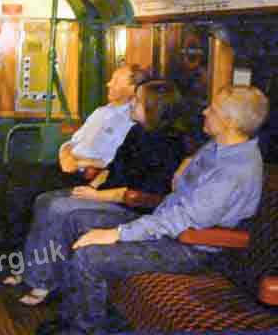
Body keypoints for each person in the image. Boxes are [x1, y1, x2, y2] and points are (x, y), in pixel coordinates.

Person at [41, 85, 268, 334]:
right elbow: (181, 191)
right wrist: (186, 167)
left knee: (89, 257)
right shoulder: (218, 148)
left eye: (212, 109)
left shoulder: (234, 171)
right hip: (170, 227)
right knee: (79, 222)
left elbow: (181, 221)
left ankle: (84, 329)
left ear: (230, 121)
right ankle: (73, 315)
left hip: (192, 248)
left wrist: (118, 233)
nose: (205, 112)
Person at [4, 80, 187, 305]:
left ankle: (43, 282)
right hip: (107, 194)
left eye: (137, 101)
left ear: (154, 108)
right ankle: (34, 270)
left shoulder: (169, 145)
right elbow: (113, 167)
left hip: (131, 209)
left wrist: (96, 196)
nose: (131, 104)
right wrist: (93, 187)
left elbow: (141, 194)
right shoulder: (137, 132)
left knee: (60, 208)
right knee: (45, 199)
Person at [0, 65, 149, 250]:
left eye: (115, 81)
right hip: (66, 165)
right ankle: (3, 241)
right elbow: (72, 142)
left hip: (85, 175)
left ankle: (16, 250)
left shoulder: (129, 123)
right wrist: (65, 154)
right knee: (5, 173)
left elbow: (114, 162)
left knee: (23, 190)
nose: (109, 84)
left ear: (132, 90)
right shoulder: (101, 112)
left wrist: (80, 163)